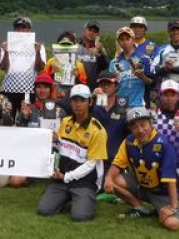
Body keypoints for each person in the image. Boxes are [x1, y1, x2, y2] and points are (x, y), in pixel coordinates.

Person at [104, 107, 179, 231]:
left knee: (173, 224)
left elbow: (170, 180)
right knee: (113, 180)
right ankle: (141, 208)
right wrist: (108, 178)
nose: (140, 130)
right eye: (135, 127)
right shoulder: (129, 141)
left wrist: (173, 207)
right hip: (142, 187)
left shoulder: (164, 144)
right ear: (130, 128)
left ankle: (166, 207)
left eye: (143, 125)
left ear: (151, 123)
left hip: (162, 193)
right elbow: (117, 164)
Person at [37, 84, 107, 222]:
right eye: (75, 100)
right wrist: (55, 141)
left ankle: (82, 199)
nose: (78, 104)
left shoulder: (98, 130)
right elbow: (61, 147)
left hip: (84, 181)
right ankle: (66, 198)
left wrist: (66, 177)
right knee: (43, 210)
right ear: (70, 102)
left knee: (80, 216)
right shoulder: (65, 121)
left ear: (90, 102)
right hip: (62, 178)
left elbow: (91, 165)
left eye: (82, 100)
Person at [12, 74, 66, 187]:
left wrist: (58, 137)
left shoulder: (60, 111)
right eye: (39, 87)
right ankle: (33, 176)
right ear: (35, 89)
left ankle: (48, 174)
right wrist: (25, 117)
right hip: (31, 153)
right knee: (15, 182)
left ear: (50, 89)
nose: (42, 90)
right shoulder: (28, 108)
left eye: (45, 87)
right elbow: (18, 134)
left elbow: (66, 137)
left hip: (53, 153)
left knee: (60, 179)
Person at [0, 16, 46, 111]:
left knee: (26, 118)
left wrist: (37, 52)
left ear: (29, 30)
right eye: (18, 28)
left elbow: (40, 68)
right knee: (6, 118)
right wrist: (6, 52)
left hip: (28, 90)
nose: (20, 31)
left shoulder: (37, 46)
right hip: (8, 89)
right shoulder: (6, 45)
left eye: (23, 28)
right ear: (14, 30)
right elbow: (3, 67)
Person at [150, 19, 179, 105]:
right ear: (169, 33)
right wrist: (165, 68)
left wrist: (170, 68)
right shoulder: (161, 49)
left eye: (178, 29)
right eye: (172, 30)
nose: (175, 32)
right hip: (164, 95)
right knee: (162, 119)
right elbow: (153, 70)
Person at [92, 72, 129, 172]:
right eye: (102, 84)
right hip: (95, 156)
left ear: (116, 86)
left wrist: (129, 118)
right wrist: (92, 98)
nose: (105, 87)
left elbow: (130, 133)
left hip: (116, 158)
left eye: (109, 84)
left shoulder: (123, 106)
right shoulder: (93, 105)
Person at [109, 26, 153, 109]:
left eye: (127, 39)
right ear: (118, 42)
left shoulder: (144, 59)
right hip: (121, 102)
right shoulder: (114, 62)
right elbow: (112, 87)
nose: (125, 42)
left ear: (133, 40)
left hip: (138, 104)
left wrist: (142, 77)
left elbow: (151, 82)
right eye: (121, 39)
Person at [42, 31, 87, 107]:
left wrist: (77, 76)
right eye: (62, 45)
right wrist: (51, 74)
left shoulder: (79, 65)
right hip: (54, 99)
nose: (65, 48)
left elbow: (84, 85)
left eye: (68, 45)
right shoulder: (51, 62)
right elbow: (43, 83)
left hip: (72, 100)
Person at [153, 80, 179, 170]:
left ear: (178, 97)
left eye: (172, 95)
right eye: (166, 95)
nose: (169, 99)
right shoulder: (152, 115)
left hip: (176, 164)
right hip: (155, 163)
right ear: (160, 96)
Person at [130, 16, 157, 105]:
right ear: (130, 29)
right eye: (134, 27)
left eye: (140, 27)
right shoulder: (124, 43)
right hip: (127, 83)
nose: (137, 29)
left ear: (145, 29)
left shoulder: (150, 45)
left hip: (144, 84)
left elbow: (152, 68)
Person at [78, 20, 109, 90]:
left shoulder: (101, 48)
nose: (92, 33)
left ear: (98, 34)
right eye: (90, 30)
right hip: (76, 86)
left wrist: (100, 53)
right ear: (84, 30)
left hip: (93, 88)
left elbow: (105, 67)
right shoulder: (75, 45)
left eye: (95, 31)